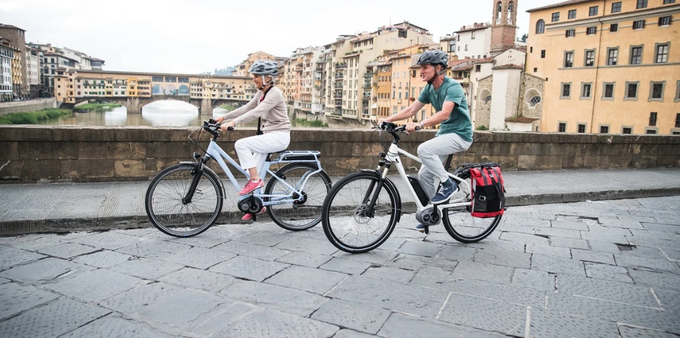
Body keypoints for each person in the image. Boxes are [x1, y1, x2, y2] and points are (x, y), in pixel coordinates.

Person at [378, 50, 473, 231]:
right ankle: (433, 212)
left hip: (460, 135)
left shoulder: (453, 87)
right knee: (424, 175)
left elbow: (445, 114)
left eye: (425, 68)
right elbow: (411, 110)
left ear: (438, 68)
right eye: (420, 68)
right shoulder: (429, 89)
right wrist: (388, 120)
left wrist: (420, 124)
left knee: (424, 150)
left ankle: (448, 184)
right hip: (445, 134)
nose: (421, 71)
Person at [215, 60, 291, 221]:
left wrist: (233, 123)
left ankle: (256, 180)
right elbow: (247, 108)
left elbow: (256, 112)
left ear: (267, 77)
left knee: (241, 144)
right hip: (269, 136)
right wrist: (224, 117)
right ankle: (257, 205)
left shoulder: (274, 93)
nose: (253, 79)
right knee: (254, 169)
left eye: (256, 76)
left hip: (279, 136)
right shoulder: (262, 93)